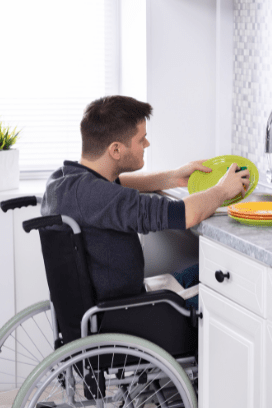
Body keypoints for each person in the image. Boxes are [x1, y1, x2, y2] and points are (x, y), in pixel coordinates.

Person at [41, 95, 249, 304]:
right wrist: (223, 189)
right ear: (116, 149)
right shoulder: (99, 197)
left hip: (114, 305)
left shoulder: (63, 181)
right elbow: (186, 214)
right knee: (231, 292)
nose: (147, 143)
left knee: (206, 271)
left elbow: (119, 184)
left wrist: (171, 177)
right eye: (141, 139)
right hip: (130, 314)